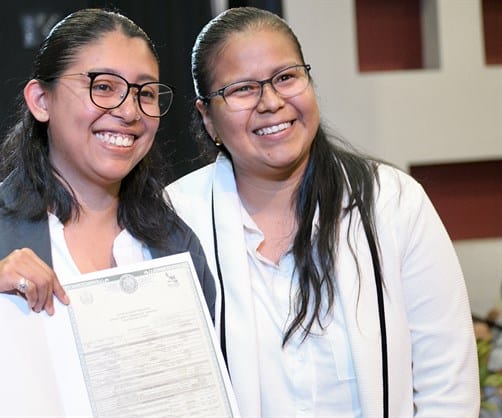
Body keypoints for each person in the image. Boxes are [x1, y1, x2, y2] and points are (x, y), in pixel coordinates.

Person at [0, 8, 215, 416]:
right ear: (41, 101)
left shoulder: (176, 245)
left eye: (144, 93)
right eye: (104, 86)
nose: (130, 111)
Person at [166, 6, 479, 417]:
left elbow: (447, 388)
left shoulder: (392, 202)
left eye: (286, 77)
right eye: (242, 89)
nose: (271, 102)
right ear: (207, 117)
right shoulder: (172, 219)